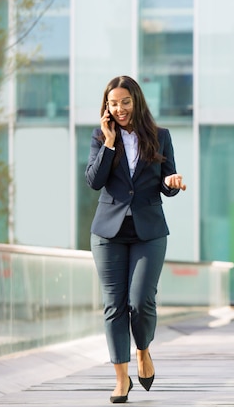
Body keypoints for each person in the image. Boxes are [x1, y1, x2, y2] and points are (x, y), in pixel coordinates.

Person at [85, 75, 186, 404]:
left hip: (148, 230)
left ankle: (143, 350)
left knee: (141, 301)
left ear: (137, 102)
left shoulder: (160, 137)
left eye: (125, 102)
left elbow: (166, 184)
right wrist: (110, 142)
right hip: (108, 233)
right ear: (107, 107)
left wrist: (171, 182)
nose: (119, 109)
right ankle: (120, 379)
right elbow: (94, 181)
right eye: (113, 104)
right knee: (114, 306)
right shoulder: (101, 137)